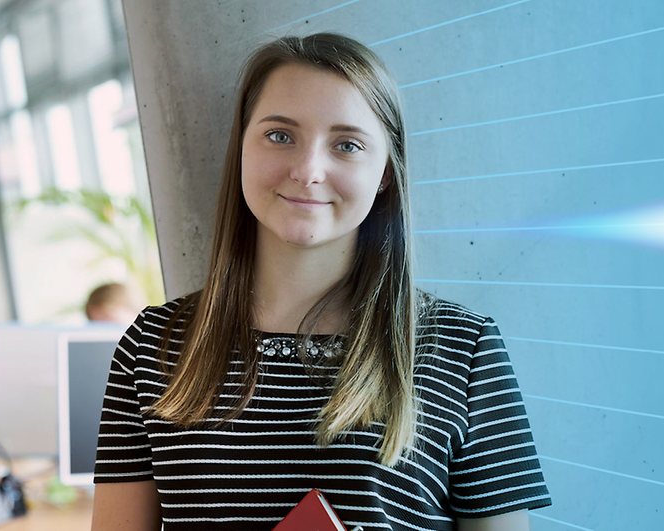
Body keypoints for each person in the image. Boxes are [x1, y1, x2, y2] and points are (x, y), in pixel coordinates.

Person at [91, 33, 551, 531]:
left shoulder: (465, 349)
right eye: (280, 135)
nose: (308, 170)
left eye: (347, 145)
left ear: (384, 175)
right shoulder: (152, 343)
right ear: (241, 147)